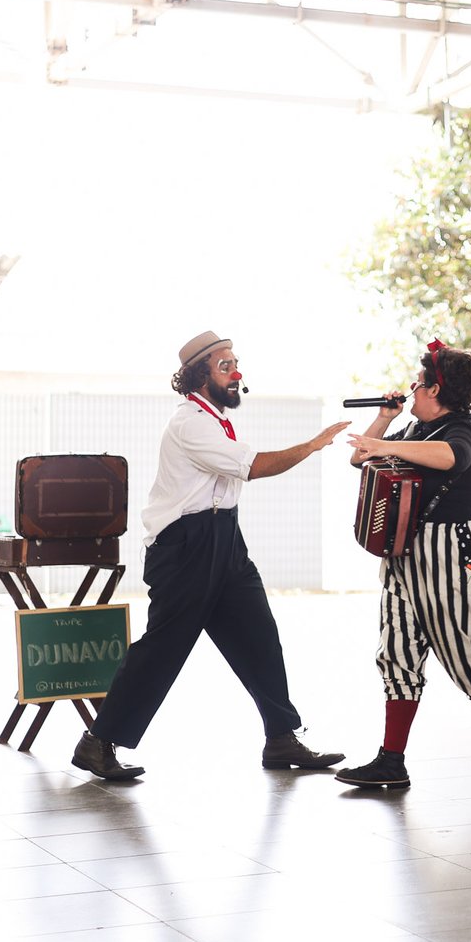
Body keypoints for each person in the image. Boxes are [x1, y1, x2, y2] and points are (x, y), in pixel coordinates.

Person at [71, 331, 351, 780]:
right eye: (226, 366)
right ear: (200, 375)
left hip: (224, 537)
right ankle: (97, 743)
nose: (236, 373)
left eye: (236, 364)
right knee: (163, 649)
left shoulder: (215, 419)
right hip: (185, 546)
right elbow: (253, 466)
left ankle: (281, 738)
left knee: (259, 635)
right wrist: (313, 444)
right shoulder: (190, 422)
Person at [334, 342, 471, 788]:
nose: (411, 390)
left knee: (463, 654)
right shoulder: (410, 430)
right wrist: (384, 420)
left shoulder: (461, 431)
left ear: (436, 389)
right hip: (406, 555)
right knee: (397, 651)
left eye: (418, 384)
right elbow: (360, 457)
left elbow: (450, 457)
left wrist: (386, 441)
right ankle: (392, 759)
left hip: (455, 554)